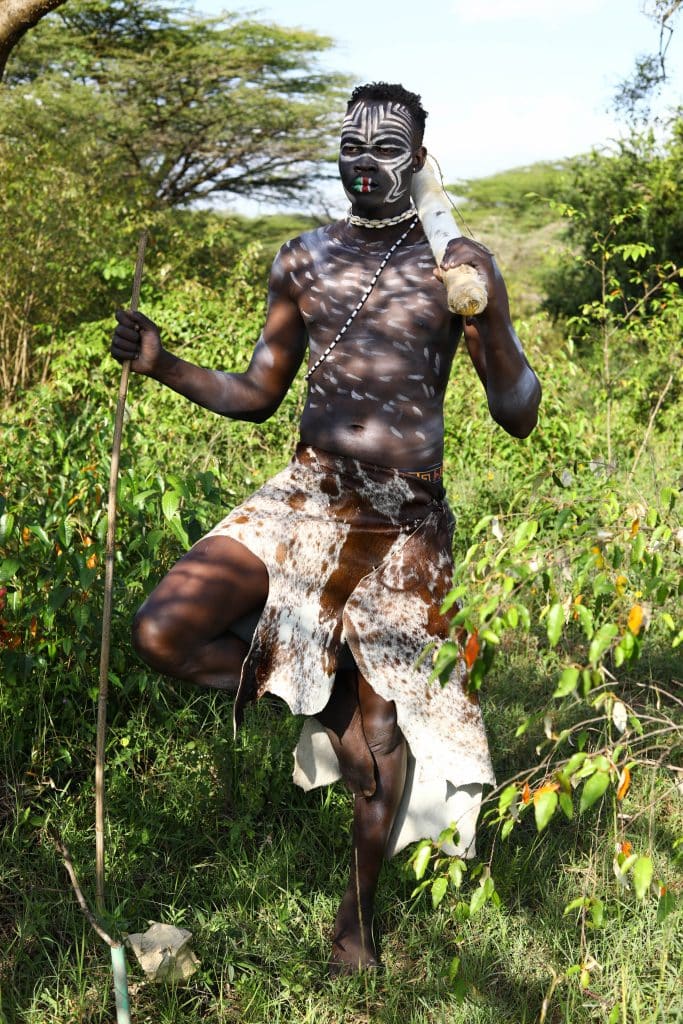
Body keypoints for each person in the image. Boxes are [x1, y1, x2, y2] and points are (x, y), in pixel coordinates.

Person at [111, 82, 541, 974]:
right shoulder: (302, 257)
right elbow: (257, 394)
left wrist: (488, 316)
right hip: (304, 492)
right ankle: (325, 692)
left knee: (379, 746)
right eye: (351, 144)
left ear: (419, 159)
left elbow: (518, 411)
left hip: (404, 508)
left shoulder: (454, 264)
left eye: (387, 148)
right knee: (162, 631)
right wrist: (165, 366)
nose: (364, 162)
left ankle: (355, 918)